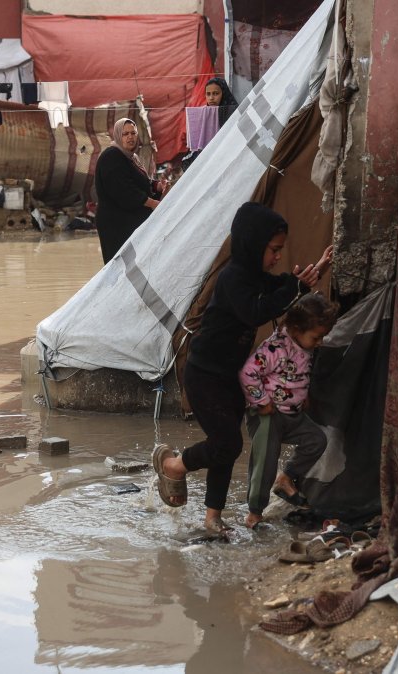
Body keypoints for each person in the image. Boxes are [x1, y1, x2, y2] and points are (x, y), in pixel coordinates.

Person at [152, 202, 332, 533]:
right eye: (274, 250)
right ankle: (174, 465)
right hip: (205, 375)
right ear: (252, 243)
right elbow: (255, 311)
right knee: (228, 443)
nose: (278, 256)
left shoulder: (254, 276)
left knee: (226, 446)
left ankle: (212, 518)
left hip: (230, 376)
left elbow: (277, 288)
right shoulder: (233, 278)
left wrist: (304, 280)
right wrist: (294, 288)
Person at [239, 292, 338, 529]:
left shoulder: (305, 346)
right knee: (265, 463)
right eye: (316, 337)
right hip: (268, 414)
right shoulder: (275, 348)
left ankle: (286, 478)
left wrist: (302, 397)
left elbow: (296, 375)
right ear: (295, 329)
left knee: (316, 440)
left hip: (292, 414)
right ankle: (254, 512)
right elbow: (248, 374)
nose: (320, 342)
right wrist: (262, 401)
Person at [94, 118, 163, 264]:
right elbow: (124, 191)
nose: (130, 137)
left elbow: (138, 181)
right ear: (118, 135)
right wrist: (152, 203)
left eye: (133, 133)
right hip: (116, 223)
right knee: (118, 267)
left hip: (127, 220)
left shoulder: (131, 157)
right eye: (125, 134)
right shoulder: (111, 157)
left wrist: (156, 185)